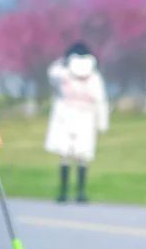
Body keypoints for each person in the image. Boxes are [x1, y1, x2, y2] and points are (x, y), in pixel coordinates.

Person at [44, 41, 109, 203]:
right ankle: (81, 193)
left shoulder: (63, 73)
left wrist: (63, 60)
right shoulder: (94, 76)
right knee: (83, 156)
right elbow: (100, 100)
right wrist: (102, 122)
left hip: (66, 116)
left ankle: (63, 192)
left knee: (65, 155)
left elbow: (51, 73)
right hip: (86, 117)